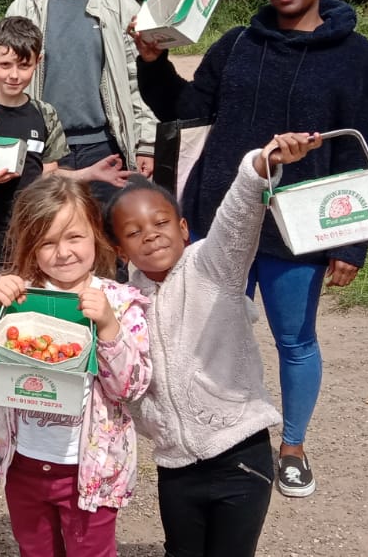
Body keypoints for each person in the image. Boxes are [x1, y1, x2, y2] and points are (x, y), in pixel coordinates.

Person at [132, 0, 368, 496]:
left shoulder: (355, 56)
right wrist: (154, 63)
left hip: (300, 228)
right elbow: (185, 108)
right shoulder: (238, 45)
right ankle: (211, 437)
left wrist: (354, 239)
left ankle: (293, 446)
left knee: (294, 339)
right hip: (221, 218)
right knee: (202, 330)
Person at [105, 133, 323, 556]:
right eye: (134, 232)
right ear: (119, 248)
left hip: (240, 456)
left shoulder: (214, 266)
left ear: (183, 228)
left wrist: (261, 165)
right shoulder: (122, 303)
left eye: (161, 223)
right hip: (174, 465)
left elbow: (238, 215)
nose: (150, 235)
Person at [0, 176, 150, 557]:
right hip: (24, 463)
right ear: (29, 244)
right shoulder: (14, 295)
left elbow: (131, 387)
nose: (63, 253)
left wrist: (108, 328)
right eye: (46, 241)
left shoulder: (120, 304)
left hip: (90, 470)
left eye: (74, 237)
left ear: (96, 233)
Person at [0, 16, 133, 268]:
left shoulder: (45, 114)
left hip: (34, 245)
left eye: (23, 65)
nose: (14, 75)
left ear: (37, 62)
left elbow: (47, 176)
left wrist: (89, 173)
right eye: (5, 64)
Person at [4, 0, 157, 204]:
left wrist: (146, 144)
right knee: (53, 242)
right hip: (46, 153)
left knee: (109, 240)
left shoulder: (119, 4)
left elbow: (138, 78)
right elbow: (5, 84)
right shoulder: (23, 9)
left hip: (106, 148)